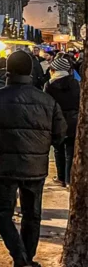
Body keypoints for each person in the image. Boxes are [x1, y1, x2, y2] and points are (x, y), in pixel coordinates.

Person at [0, 51, 67, 267]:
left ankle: (20, 259)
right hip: (35, 167)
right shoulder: (47, 100)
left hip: (3, 167)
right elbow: (60, 134)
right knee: (32, 215)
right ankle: (25, 260)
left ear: (8, 71)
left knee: (2, 212)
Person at [44, 55, 80, 187]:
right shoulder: (75, 83)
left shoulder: (49, 85)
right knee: (70, 151)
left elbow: (47, 105)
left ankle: (60, 178)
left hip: (57, 121)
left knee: (58, 149)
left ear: (54, 70)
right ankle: (69, 180)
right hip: (73, 120)